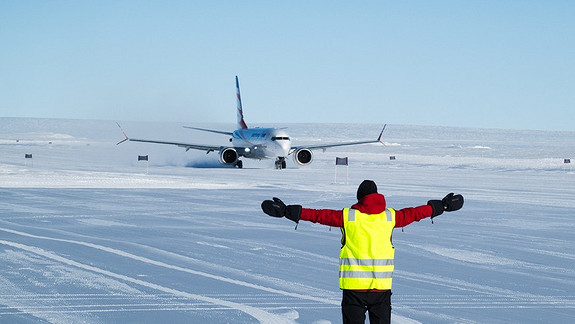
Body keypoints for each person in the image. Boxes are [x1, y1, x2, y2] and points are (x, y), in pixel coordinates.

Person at [261, 179, 464, 324]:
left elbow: (318, 215)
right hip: (381, 289)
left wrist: (288, 211)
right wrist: (441, 206)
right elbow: (414, 213)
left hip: (353, 291)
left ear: (360, 198)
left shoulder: (348, 217)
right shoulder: (390, 217)